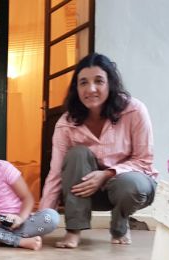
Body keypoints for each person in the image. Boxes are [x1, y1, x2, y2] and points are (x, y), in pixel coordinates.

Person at [40, 53, 158, 249]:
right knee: (77, 154)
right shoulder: (66, 123)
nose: (91, 89)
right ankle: (73, 230)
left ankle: (120, 223)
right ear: (76, 88)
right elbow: (55, 174)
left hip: (130, 188)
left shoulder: (134, 110)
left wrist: (107, 174)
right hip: (89, 193)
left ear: (110, 83)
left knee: (131, 185)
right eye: (83, 83)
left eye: (99, 81)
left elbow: (144, 161)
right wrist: (42, 222)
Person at [0, 127, 59, 250]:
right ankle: (19, 241)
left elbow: (27, 198)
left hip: (20, 222)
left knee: (52, 217)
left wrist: (20, 218)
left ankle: (0, 239)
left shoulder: (5, 168)